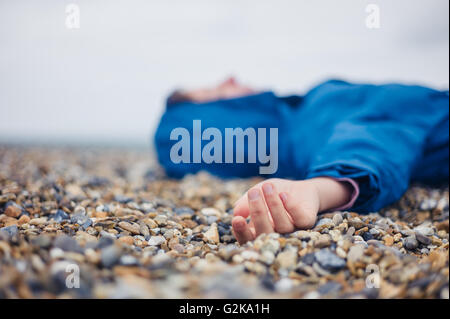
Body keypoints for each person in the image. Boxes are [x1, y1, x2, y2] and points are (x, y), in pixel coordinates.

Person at [154, 77, 449, 244]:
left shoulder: (299, 113)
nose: (231, 78)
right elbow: (370, 138)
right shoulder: (303, 127)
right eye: (217, 91)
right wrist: (320, 189)